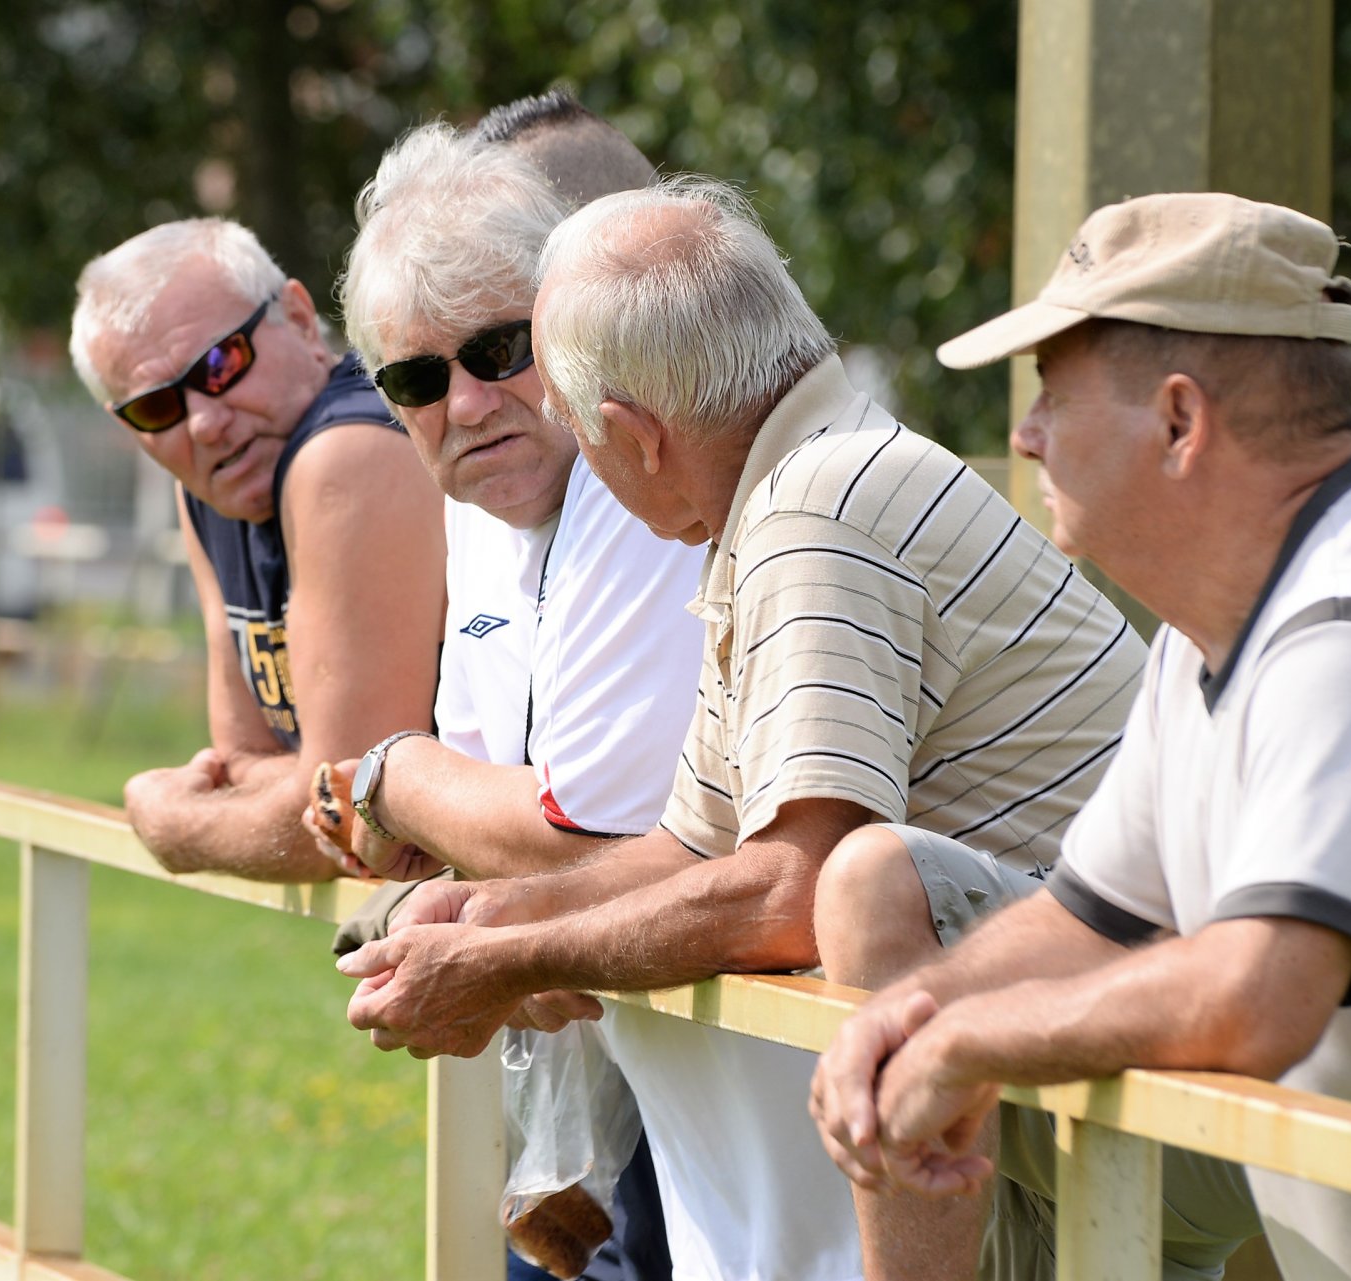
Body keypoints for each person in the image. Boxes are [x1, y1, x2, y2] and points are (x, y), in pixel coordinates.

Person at [811, 191, 1351, 1281]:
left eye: (1052, 394)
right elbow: (1093, 924)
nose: (1024, 435)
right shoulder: (1225, 630)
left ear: (1180, 421)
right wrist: (910, 1014)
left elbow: (1259, 994)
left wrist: (969, 1042)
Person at [335, 177, 1152, 1281]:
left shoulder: (818, 511)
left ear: (634, 434)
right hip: (1071, 1065)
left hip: (1131, 1093)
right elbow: (693, 849)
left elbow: (794, 889)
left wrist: (510, 959)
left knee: (868, 884)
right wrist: (490, 917)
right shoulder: (794, 489)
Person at [318, 103, 684, 1281]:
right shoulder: (481, 503)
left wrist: (392, 773)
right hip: (612, 1061)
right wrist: (450, 833)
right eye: (418, 377)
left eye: (498, 349)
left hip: (779, 1070)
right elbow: (487, 835)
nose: (467, 402)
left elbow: (578, 834)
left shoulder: (648, 486)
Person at [69, 219, 443, 881]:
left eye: (220, 366)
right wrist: (296, 786)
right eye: (156, 409)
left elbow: (351, 814)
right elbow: (239, 757)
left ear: (299, 318)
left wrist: (176, 826)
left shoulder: (348, 453)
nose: (204, 423)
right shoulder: (208, 492)